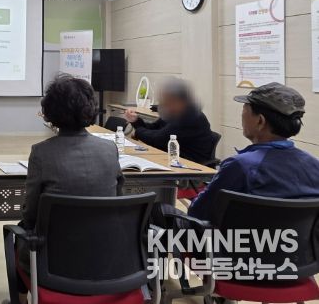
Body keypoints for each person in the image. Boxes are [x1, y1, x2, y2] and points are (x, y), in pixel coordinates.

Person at [16, 75, 124, 303]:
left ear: (50, 112)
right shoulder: (109, 149)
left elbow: (30, 215)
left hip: (52, 263)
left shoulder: (41, 153)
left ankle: (21, 298)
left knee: (19, 234)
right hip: (107, 259)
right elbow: (118, 201)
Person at [187, 82, 319, 221]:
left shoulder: (240, 166)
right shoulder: (314, 165)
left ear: (260, 121)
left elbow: (198, 212)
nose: (241, 117)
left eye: (244, 111)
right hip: (298, 236)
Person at [124, 77, 213, 164]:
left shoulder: (190, 116)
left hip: (191, 163)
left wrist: (138, 131)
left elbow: (158, 139)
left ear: (178, 100)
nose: (163, 103)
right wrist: (136, 121)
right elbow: (154, 128)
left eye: (166, 100)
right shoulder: (175, 112)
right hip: (173, 157)